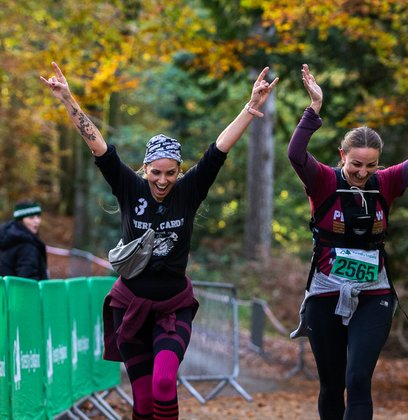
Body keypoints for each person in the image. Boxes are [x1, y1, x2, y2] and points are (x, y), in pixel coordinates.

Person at [40, 62, 277, 420]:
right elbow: (99, 146)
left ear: (179, 171)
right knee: (144, 403)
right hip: (130, 307)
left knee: (164, 383)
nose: (163, 181)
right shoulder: (129, 189)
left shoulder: (189, 192)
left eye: (170, 173)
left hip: (172, 308)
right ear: (145, 169)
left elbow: (218, 150)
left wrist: (249, 107)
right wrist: (69, 100)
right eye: (156, 172)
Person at [288, 64, 408, 419]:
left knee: (358, 378)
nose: (363, 174)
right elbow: (296, 155)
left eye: (371, 166)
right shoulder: (323, 182)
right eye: (356, 166)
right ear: (342, 156)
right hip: (325, 292)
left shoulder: (387, 182)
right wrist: (314, 108)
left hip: (374, 293)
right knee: (333, 384)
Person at [0, 200, 49, 280]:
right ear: (21, 220)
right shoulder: (27, 246)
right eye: (31, 217)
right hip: (15, 291)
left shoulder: (5, 236)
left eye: (38, 216)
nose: (37, 221)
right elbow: (28, 281)